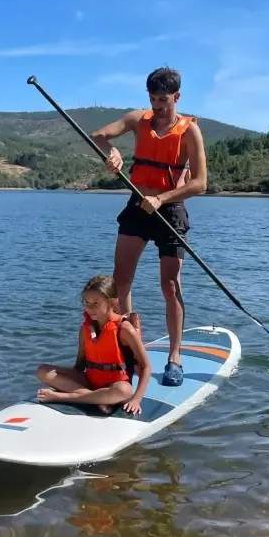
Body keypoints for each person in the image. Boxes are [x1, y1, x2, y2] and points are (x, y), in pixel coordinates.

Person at [90, 66, 208, 387]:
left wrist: (163, 198)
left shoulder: (189, 131)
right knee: (121, 283)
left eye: (163, 99)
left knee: (170, 286)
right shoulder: (137, 119)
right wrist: (110, 152)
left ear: (177, 97)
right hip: (137, 206)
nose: (157, 105)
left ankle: (174, 357)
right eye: (153, 98)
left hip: (170, 210)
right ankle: (129, 351)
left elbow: (200, 183)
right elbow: (98, 136)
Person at [36, 274, 151, 415]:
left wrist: (136, 399)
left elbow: (146, 367)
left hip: (115, 386)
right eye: (86, 303)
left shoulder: (124, 329)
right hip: (91, 382)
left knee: (124, 390)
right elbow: (80, 365)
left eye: (96, 303)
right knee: (43, 371)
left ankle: (67, 397)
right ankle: (96, 398)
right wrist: (66, 380)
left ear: (113, 303)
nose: (90, 308)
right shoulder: (85, 329)